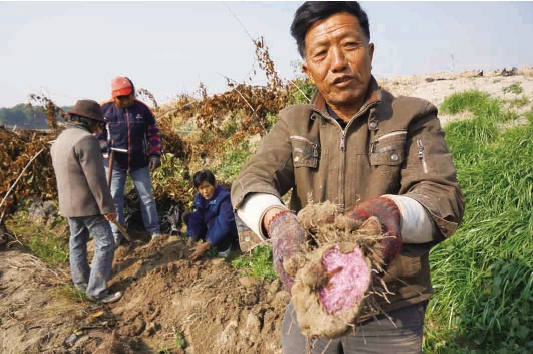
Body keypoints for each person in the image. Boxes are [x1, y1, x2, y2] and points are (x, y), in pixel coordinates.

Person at [231, 2, 465, 353]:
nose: (338, 62)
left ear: (370, 52)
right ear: (308, 70)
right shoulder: (294, 123)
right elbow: (252, 180)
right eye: (321, 53)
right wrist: (275, 220)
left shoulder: (412, 116)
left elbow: (441, 197)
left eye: (350, 45)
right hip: (311, 292)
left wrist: (392, 214)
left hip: (391, 303)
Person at [50, 99, 123, 304]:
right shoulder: (86, 140)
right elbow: (96, 179)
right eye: (96, 123)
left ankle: (81, 284)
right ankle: (97, 291)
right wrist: (108, 207)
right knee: (106, 243)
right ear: (87, 120)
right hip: (88, 204)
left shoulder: (61, 139)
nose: (98, 127)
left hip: (68, 204)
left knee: (77, 242)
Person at [98, 76, 163, 245]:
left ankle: (154, 232)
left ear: (133, 94)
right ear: (114, 97)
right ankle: (116, 235)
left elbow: (153, 133)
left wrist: (155, 154)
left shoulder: (142, 110)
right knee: (114, 198)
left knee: (147, 197)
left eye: (128, 97)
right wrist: (101, 143)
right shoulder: (104, 110)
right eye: (120, 98)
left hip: (138, 161)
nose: (124, 101)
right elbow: (95, 132)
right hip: (114, 162)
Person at [182, 169, 239, 260]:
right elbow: (196, 217)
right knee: (187, 216)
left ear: (215, 183)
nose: (205, 191)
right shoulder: (199, 197)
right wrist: (191, 237)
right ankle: (207, 240)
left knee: (214, 221)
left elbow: (224, 225)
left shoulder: (224, 197)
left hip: (226, 230)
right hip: (211, 225)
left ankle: (225, 246)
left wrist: (206, 245)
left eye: (207, 186)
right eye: (201, 188)